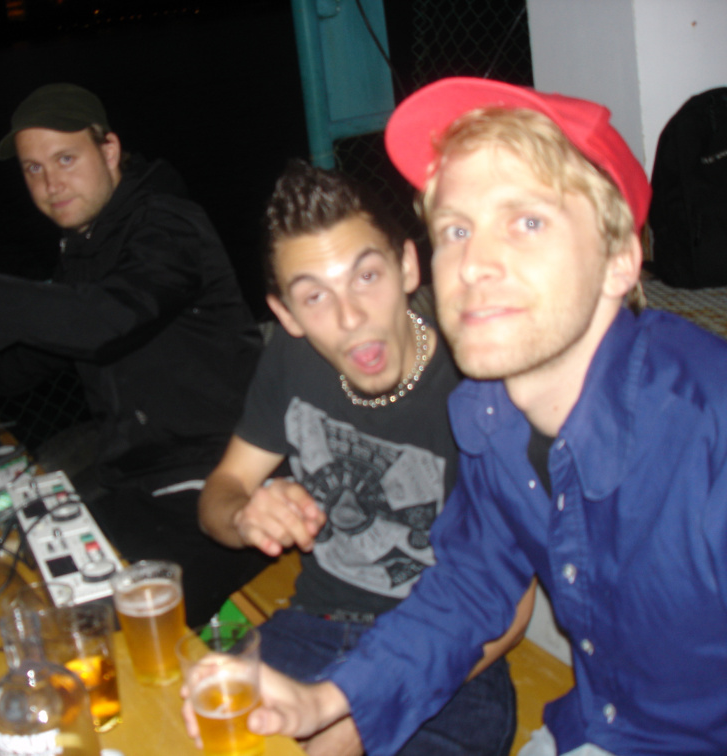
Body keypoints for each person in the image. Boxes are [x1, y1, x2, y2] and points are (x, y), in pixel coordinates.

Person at [187, 77, 727, 755]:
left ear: (620, 259)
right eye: (457, 230)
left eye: (527, 222)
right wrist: (329, 702)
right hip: (589, 726)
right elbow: (471, 591)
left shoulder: (708, 429)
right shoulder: (492, 416)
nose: (474, 264)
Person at [0, 83, 267, 625]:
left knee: (82, 621)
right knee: (1, 564)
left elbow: (100, 321)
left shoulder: (167, 225)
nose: (51, 184)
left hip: (223, 477)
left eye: (66, 159)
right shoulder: (90, 241)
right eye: (33, 169)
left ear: (109, 150)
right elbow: (46, 347)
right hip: (140, 479)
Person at [197, 159, 532, 755]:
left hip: (449, 663)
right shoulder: (292, 359)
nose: (349, 317)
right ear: (285, 314)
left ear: (408, 266)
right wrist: (244, 516)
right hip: (313, 628)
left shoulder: (478, 377)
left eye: (367, 276)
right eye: (314, 296)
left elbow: (511, 610)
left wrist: (358, 722)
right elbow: (222, 490)